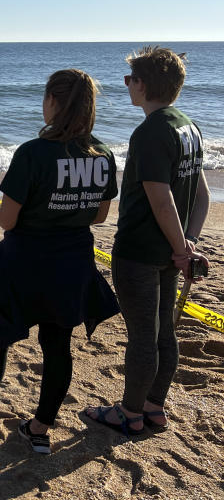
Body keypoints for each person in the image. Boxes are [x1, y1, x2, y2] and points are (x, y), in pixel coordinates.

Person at [0, 69, 120, 454]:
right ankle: (40, 429)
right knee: (58, 344)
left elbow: (6, 219)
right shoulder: (103, 155)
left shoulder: (33, 152)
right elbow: (100, 216)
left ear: (53, 103)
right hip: (72, 263)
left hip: (24, 263)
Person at [83, 46, 209, 436]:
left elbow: (160, 197)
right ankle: (155, 407)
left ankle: (131, 412)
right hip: (171, 251)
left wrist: (180, 247)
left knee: (143, 337)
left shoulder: (151, 131)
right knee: (162, 332)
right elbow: (201, 195)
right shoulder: (188, 125)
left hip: (141, 251)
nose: (126, 86)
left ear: (142, 84)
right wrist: (186, 243)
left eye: (129, 79)